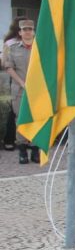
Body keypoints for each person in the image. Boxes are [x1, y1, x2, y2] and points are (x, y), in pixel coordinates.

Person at [1, 18, 38, 163]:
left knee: (36, 119)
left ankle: (35, 150)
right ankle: (22, 150)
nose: (28, 32)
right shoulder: (13, 47)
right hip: (19, 90)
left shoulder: (40, 48)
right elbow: (9, 67)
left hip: (38, 90)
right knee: (21, 119)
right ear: (20, 32)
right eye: (25, 30)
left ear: (33, 31)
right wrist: (22, 83)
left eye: (30, 29)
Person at [2, 17, 26, 151]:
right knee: (14, 111)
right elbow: (4, 62)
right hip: (16, 79)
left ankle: (26, 140)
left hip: (29, 80)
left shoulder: (31, 43)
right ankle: (9, 139)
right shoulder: (9, 43)